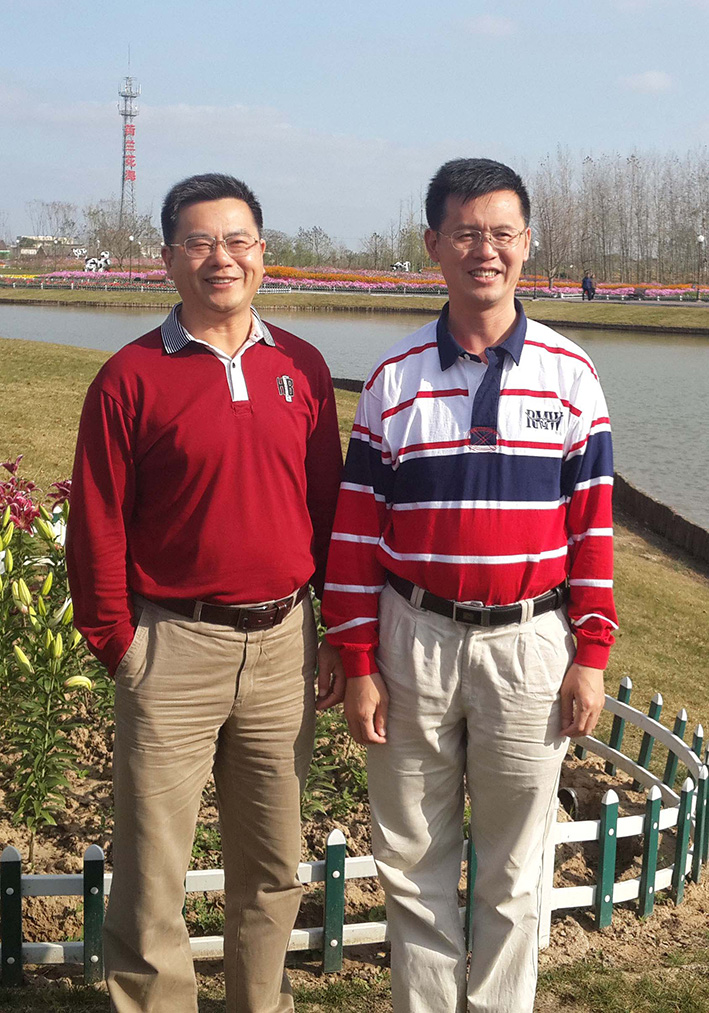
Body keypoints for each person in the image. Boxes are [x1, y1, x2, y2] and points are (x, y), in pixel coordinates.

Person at [321, 158, 617, 1012]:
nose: (483, 250)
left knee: (514, 869)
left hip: (529, 644)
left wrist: (590, 652)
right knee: (412, 861)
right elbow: (355, 535)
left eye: (500, 233)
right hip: (412, 636)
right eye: (464, 233)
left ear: (526, 243)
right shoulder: (395, 378)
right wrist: (358, 659)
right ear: (433, 244)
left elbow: (592, 531)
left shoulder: (569, 374)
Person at [66, 172, 345, 1013]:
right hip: (173, 647)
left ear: (262, 252)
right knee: (153, 868)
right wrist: (120, 643)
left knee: (272, 860)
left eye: (236, 241)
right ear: (168, 259)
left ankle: (260, 1002)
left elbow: (328, 509)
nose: (220, 258)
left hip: (283, 643)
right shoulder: (130, 376)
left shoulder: (301, 366)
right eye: (199, 242)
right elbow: (97, 522)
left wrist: (334, 628)